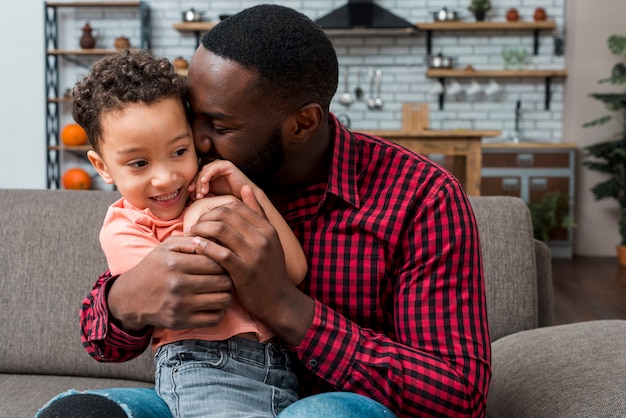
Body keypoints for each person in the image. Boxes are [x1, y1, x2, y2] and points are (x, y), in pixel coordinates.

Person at [41, 4, 491, 418]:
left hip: (332, 404)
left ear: (302, 124)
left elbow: (459, 395)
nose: (194, 143)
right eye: (191, 116)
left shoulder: (421, 198)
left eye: (219, 125)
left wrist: (283, 304)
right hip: (204, 390)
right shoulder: (193, 182)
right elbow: (103, 334)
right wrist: (125, 302)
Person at [74, 49, 307, 417]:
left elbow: (293, 271)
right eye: (139, 163)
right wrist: (203, 213)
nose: (166, 177)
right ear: (102, 167)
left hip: (276, 367)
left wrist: (249, 192)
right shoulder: (125, 226)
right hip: (201, 365)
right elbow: (190, 294)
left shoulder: (221, 190)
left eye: (179, 151)